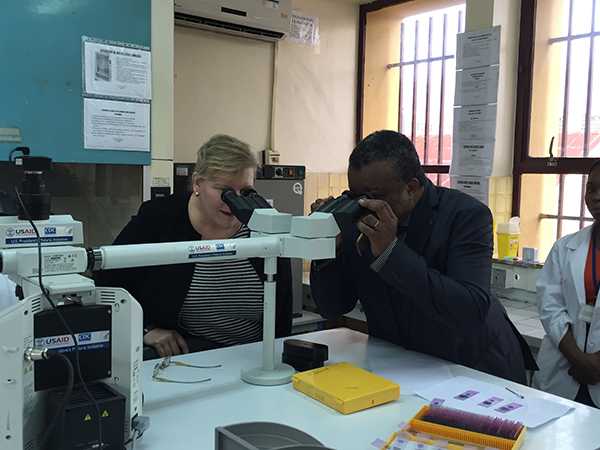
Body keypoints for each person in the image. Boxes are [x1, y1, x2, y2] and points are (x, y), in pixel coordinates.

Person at [310, 130, 535, 384]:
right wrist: (326, 250)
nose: (362, 205)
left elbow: (470, 308)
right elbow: (333, 307)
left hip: (472, 367)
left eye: (372, 197)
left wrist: (389, 252)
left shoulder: (465, 216)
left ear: (411, 187)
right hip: (403, 367)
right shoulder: (359, 216)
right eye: (354, 195)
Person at [96, 135, 292, 358]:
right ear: (197, 183)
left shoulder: (263, 223)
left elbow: (282, 308)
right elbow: (107, 282)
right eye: (224, 191)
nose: (236, 202)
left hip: (255, 355)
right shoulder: (160, 218)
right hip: (190, 354)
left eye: (246, 192)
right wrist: (145, 329)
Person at [533, 161, 600, 408]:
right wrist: (579, 359)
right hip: (565, 372)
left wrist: (594, 364)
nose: (595, 197)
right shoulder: (565, 247)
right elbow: (549, 306)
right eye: (591, 189)